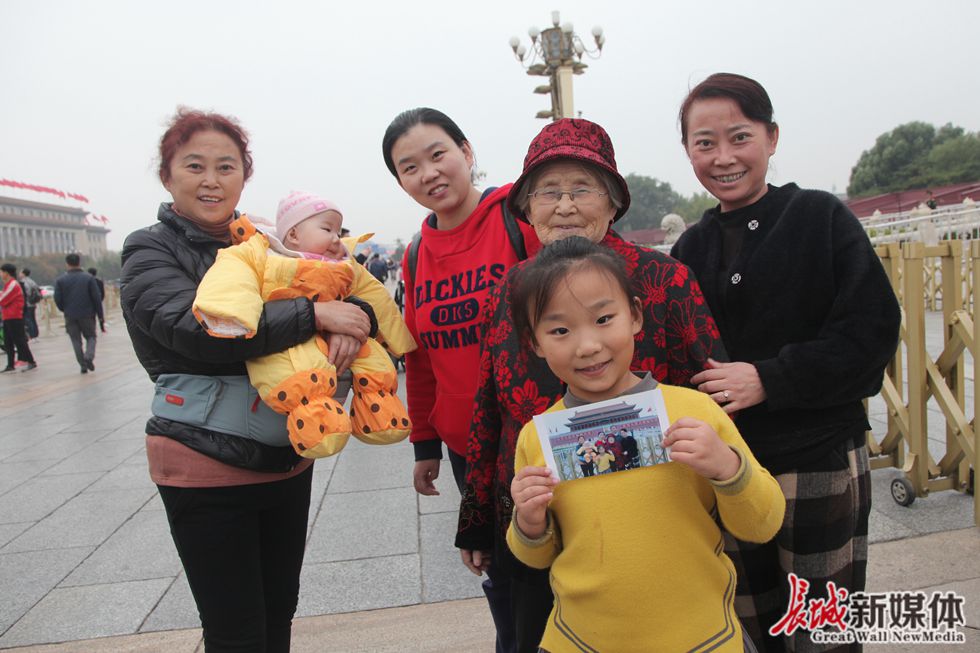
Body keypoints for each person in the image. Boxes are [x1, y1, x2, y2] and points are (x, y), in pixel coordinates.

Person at [455, 118, 726, 652]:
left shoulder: (663, 279)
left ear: (612, 203)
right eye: (548, 193)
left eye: (582, 189)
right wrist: (478, 518)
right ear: (527, 210)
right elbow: (489, 407)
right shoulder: (511, 289)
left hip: (646, 519)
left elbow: (714, 391)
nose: (565, 206)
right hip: (537, 507)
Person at [120, 108, 373, 652]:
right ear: (167, 176)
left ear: (243, 175)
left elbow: (345, 290)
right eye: (195, 166)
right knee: (236, 630)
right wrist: (315, 318)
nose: (211, 180)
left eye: (226, 166)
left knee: (279, 610)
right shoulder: (150, 249)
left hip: (285, 451)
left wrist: (354, 320)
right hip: (203, 461)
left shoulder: (268, 243)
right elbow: (193, 327)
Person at [671, 72, 901, 653]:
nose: (723, 157)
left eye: (739, 137)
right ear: (688, 151)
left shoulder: (820, 218)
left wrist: (769, 378)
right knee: (752, 624)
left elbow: (871, 333)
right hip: (729, 468)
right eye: (704, 143)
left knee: (821, 630)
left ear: (771, 138)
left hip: (814, 456)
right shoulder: (688, 251)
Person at [507, 236, 784, 652]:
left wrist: (728, 469)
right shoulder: (537, 435)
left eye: (604, 319)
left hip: (703, 638)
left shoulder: (694, 411)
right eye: (560, 330)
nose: (588, 346)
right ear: (535, 343)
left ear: (635, 315)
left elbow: (762, 523)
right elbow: (539, 555)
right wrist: (528, 522)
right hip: (581, 641)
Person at [382, 107, 541, 653]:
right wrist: (424, 443)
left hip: (537, 435)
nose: (428, 173)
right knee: (497, 573)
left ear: (467, 152)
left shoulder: (518, 221)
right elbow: (420, 357)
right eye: (409, 167)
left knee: (551, 573)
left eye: (437, 154)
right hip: (467, 449)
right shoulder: (416, 254)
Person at [191, 190, 415, 457]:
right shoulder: (261, 252)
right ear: (294, 234)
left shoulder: (343, 262)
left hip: (328, 329)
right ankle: (314, 419)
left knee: (374, 359)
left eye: (337, 231)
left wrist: (395, 337)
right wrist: (231, 314)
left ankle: (377, 405)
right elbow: (232, 277)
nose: (336, 238)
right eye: (327, 229)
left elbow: (373, 293)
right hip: (290, 341)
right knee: (302, 373)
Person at [54, 253, 104, 374]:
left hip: (70, 315)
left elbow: (57, 299)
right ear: (79, 262)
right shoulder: (88, 278)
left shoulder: (60, 280)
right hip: (87, 314)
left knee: (76, 340)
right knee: (91, 337)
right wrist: (100, 315)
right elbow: (96, 298)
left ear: (67, 264)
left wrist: (64, 309)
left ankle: (82, 365)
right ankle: (89, 357)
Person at [1, 263, 37, 372]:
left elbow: (3, 299)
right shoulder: (8, 284)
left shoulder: (13, 284)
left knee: (20, 340)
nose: (0, 274)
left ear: (6, 273)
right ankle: (10, 364)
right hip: (8, 317)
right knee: (8, 342)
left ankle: (31, 361)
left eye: (1, 272)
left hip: (14, 317)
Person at [18, 268, 41, 340]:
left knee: (28, 320)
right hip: (33, 303)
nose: (19, 274)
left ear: (23, 274)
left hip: (27, 303)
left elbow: (25, 293)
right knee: (33, 319)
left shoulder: (23, 282)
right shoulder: (32, 281)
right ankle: (36, 334)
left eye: (20, 272)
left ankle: (32, 334)